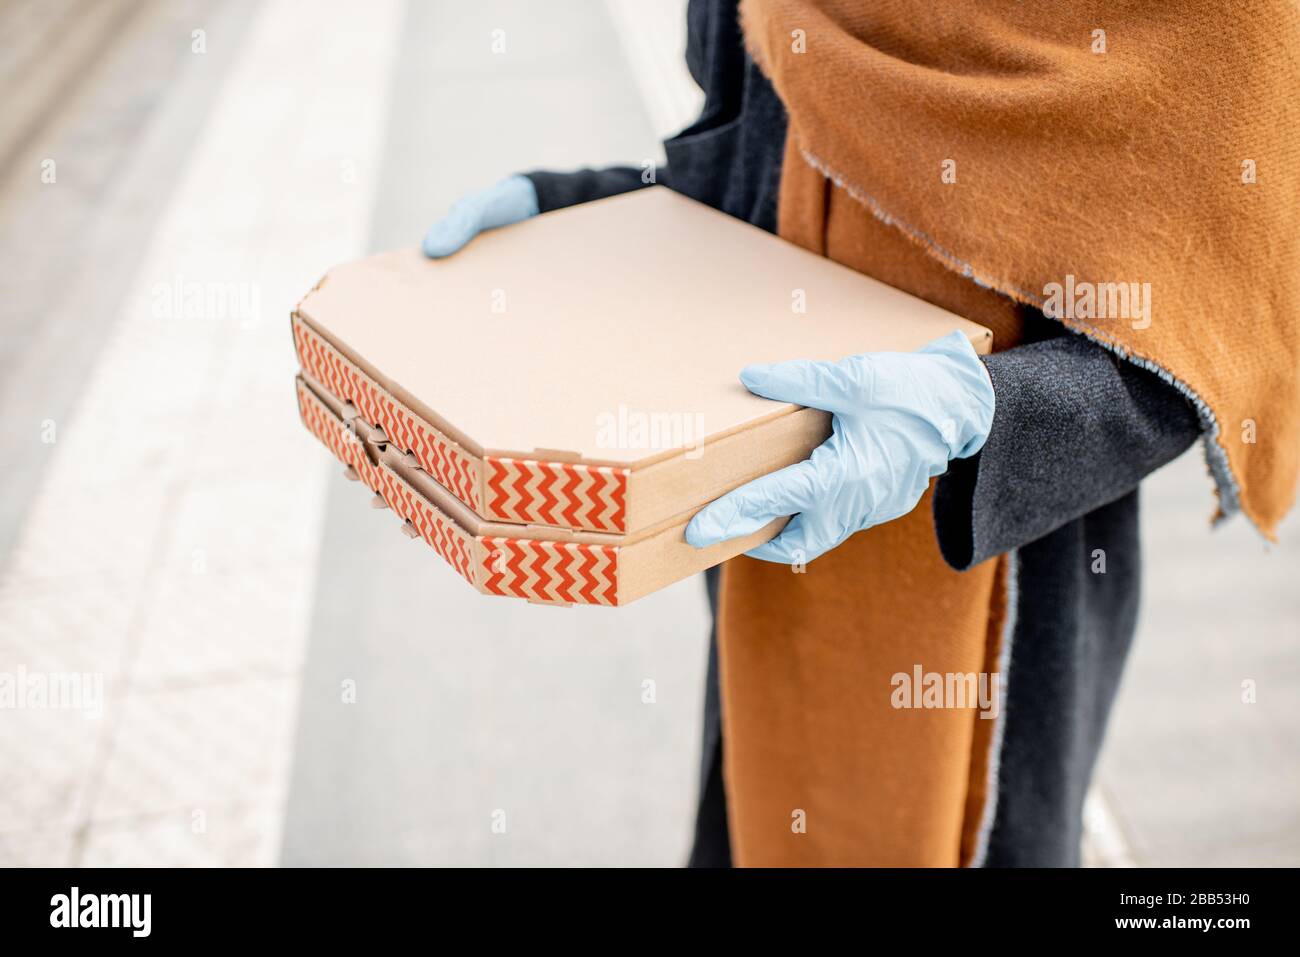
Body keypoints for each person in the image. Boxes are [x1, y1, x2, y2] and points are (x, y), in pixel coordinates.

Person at [422, 0, 1299, 866]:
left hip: (1003, 584)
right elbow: (752, 152)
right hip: (771, 535)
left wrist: (986, 412)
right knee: (768, 809)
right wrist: (590, 210)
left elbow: (1219, 311)